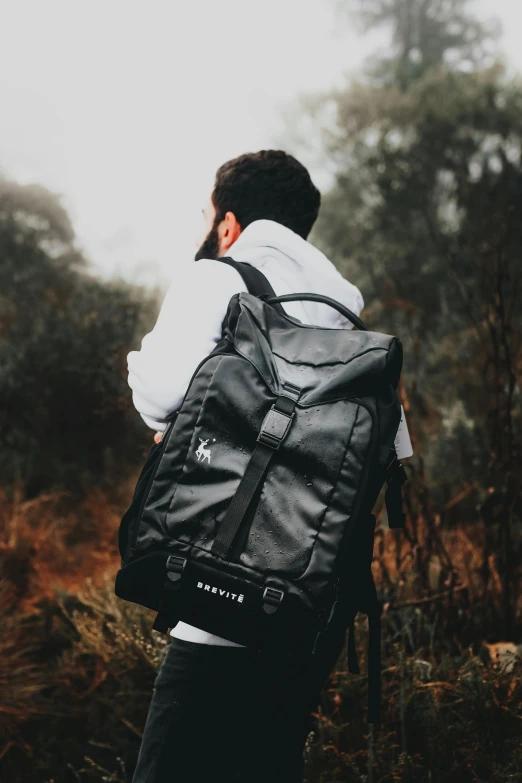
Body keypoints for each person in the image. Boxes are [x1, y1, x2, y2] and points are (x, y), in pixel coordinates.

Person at [127, 150, 364, 783]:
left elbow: (157, 393)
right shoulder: (346, 314)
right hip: (308, 602)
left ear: (228, 223)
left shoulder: (220, 277)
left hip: (217, 586)